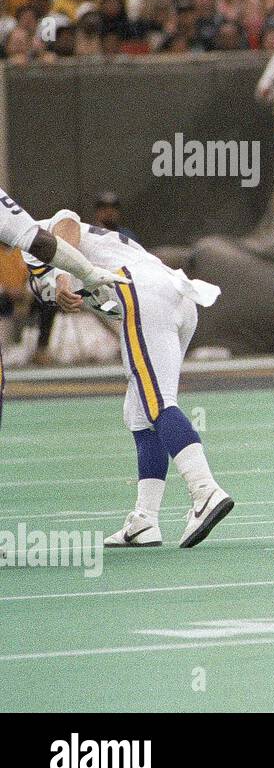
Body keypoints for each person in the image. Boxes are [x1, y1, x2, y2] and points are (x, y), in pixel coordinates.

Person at [23, 209, 231, 548]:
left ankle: (205, 490)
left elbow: (67, 224)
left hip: (144, 292)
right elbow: (100, 300)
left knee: (157, 403)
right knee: (139, 414)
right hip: (170, 296)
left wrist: (62, 277)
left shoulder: (30, 235)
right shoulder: (32, 264)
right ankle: (145, 520)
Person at [0, 187, 123, 428]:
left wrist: (75, 277)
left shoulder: (120, 235)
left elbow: (61, 224)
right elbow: (46, 239)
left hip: (102, 289)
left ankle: (123, 344)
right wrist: (81, 274)